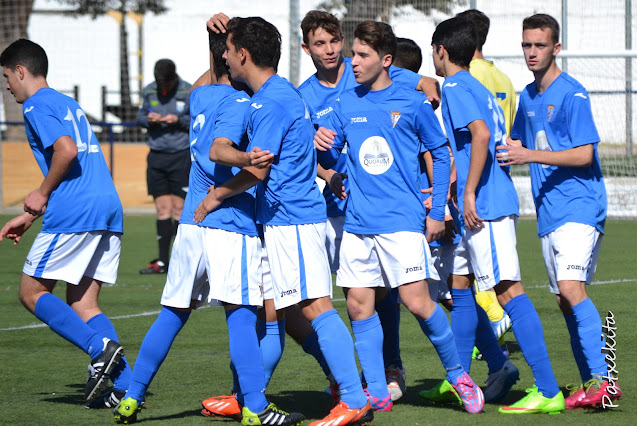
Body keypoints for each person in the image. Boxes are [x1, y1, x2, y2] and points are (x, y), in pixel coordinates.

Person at [113, 29, 304, 425]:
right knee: (241, 316)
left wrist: (214, 42)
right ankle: (255, 408)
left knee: (172, 314)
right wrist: (249, 158)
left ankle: (131, 397)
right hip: (229, 221)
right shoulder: (242, 102)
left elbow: (210, 74)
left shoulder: (200, 95)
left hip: (191, 224)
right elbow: (224, 148)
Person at [195, 14, 374, 426]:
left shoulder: (271, 102)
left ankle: (353, 398)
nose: (224, 57)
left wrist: (216, 195)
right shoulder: (272, 95)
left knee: (316, 307)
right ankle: (247, 398)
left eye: (228, 50)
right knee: (274, 312)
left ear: (243, 54)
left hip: (293, 220)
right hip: (281, 221)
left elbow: (257, 170)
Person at [317, 20, 484, 415]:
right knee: (359, 307)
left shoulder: (412, 102)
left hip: (401, 222)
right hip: (357, 224)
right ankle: (377, 391)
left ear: (386, 59)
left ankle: (458, 374)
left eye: (362, 55)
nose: (353, 62)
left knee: (417, 302)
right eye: (353, 54)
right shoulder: (345, 103)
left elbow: (440, 152)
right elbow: (329, 151)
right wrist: (321, 142)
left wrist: (438, 210)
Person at [302, 10, 442, 403]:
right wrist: (326, 168)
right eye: (319, 44)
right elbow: (303, 150)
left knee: (390, 295)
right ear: (306, 49)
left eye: (334, 41)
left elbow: (423, 84)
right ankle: (352, 377)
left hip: (386, 207)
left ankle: (392, 367)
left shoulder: (365, 66)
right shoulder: (304, 95)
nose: (330, 50)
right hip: (335, 209)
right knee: (351, 299)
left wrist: (427, 84)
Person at [431, 17, 565, 414]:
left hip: (485, 206)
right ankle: (458, 379)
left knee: (508, 291)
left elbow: (482, 135)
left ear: (441, 51)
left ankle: (548, 390)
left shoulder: (455, 86)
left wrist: (469, 191)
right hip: (480, 202)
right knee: (459, 285)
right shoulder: (476, 84)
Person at [497, 13, 622, 410]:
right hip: (549, 211)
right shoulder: (527, 96)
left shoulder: (573, 94)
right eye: (526, 45)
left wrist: (528, 155)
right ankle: (591, 383)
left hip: (580, 205)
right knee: (564, 300)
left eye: (540, 45)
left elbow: (584, 154)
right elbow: (514, 144)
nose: (531, 52)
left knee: (571, 289)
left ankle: (605, 380)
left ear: (557, 48)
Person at [0, 38, 131, 407]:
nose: (7, 86)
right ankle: (126, 389)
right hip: (107, 206)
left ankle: (98, 349)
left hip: (75, 211)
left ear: (20, 71)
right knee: (84, 303)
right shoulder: (67, 102)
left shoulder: (35, 105)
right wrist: (30, 215)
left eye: (7, 77)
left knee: (31, 292)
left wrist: (40, 194)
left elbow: (67, 151)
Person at [456, 9, 516, 346]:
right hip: (499, 181)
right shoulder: (503, 79)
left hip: (478, 190)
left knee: (478, 278)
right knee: (464, 278)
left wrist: (464, 189)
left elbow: (477, 135)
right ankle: (487, 354)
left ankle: (495, 325)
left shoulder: (466, 77)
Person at [137, 59, 191, 274]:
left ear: (174, 78)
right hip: (157, 156)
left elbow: (195, 121)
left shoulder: (188, 91)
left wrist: (177, 120)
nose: (163, 88)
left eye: (167, 84)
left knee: (179, 209)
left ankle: (180, 262)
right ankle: (162, 262)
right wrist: (148, 119)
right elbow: (140, 116)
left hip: (181, 156)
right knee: (162, 210)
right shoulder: (149, 90)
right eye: (161, 85)